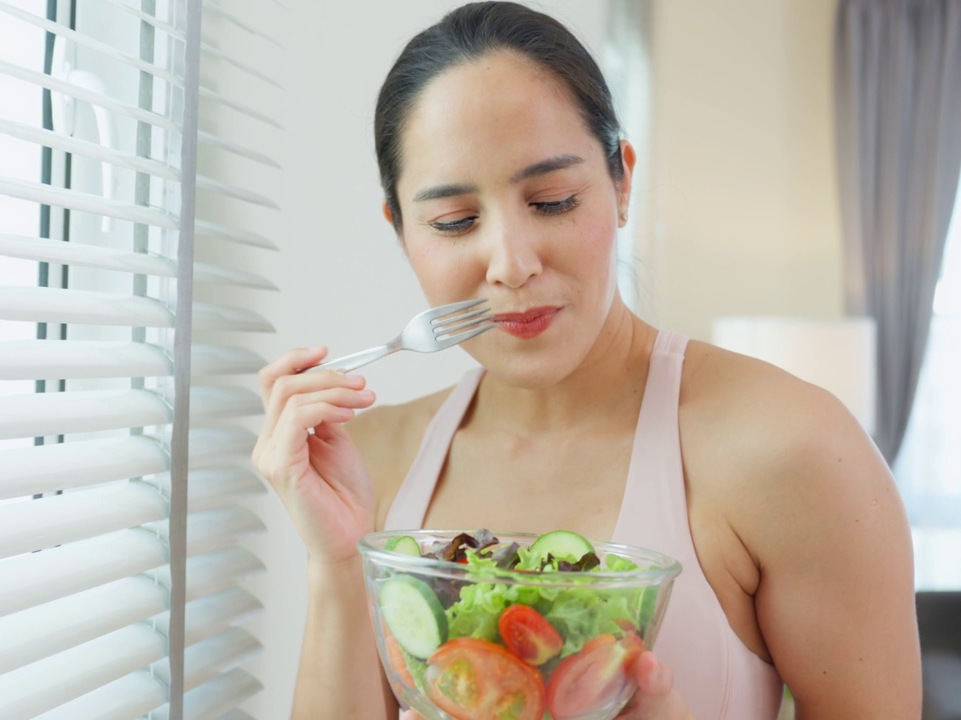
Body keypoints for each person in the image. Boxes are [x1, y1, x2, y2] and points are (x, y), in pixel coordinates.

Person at [252, 2, 922, 718]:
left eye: (553, 200)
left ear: (622, 183)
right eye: (455, 222)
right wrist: (336, 565)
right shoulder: (372, 462)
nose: (511, 264)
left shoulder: (791, 448)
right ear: (402, 230)